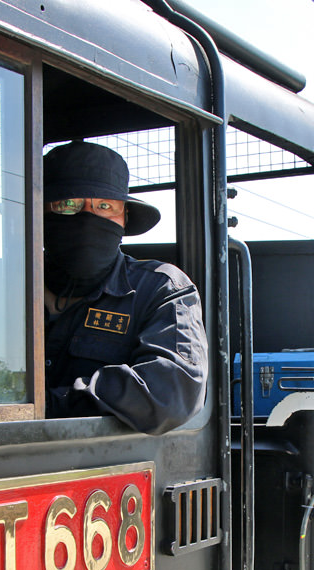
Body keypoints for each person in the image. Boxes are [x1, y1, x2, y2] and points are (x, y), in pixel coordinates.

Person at [43, 141, 207, 435]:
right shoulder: (6, 288)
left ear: (124, 218)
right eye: (69, 205)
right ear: (41, 213)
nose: (88, 218)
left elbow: (171, 393)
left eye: (104, 206)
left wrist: (46, 407)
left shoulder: (161, 288)